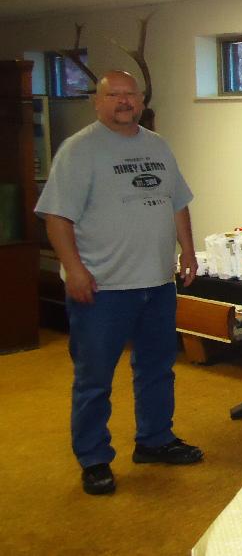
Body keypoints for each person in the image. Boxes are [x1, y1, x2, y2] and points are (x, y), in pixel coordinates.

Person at [35, 70, 203, 497]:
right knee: (94, 379)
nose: (124, 101)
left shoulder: (156, 144)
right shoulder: (79, 150)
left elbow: (176, 201)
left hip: (156, 282)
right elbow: (57, 217)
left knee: (157, 369)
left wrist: (188, 250)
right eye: (114, 95)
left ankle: (155, 440)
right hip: (102, 287)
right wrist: (73, 269)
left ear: (142, 99)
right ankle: (93, 459)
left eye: (131, 94)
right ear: (98, 100)